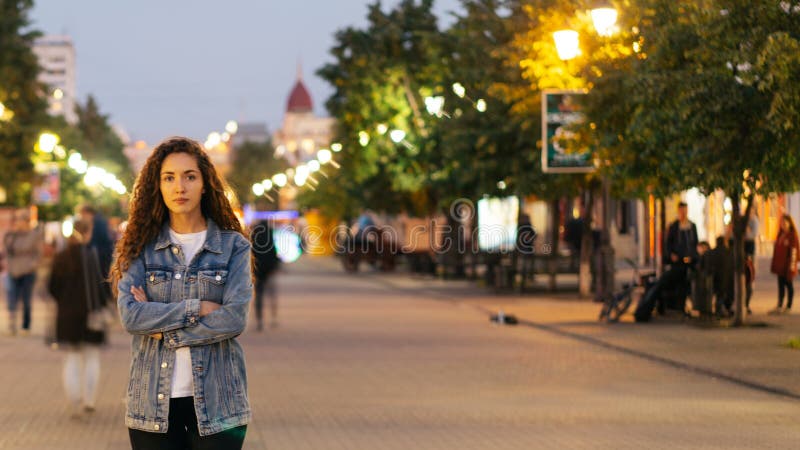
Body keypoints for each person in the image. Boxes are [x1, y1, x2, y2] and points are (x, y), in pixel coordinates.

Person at [110, 137, 252, 449]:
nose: (180, 187)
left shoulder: (233, 247)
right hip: (152, 403)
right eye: (169, 178)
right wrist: (199, 307)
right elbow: (132, 316)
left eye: (190, 176)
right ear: (157, 186)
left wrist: (163, 331)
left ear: (205, 184)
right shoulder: (140, 247)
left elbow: (233, 319)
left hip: (219, 403)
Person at [47, 218, 108, 419]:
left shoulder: (61, 256)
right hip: (91, 314)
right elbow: (103, 287)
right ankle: (89, 400)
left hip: (67, 315)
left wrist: (64, 302)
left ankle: (74, 400)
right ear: (88, 233)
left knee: (72, 358)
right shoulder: (94, 256)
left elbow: (52, 287)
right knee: (91, 358)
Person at [4, 208, 42, 336]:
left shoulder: (33, 235)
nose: (18, 222)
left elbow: (38, 253)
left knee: (26, 299)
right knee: (11, 299)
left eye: (20, 219)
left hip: (28, 271)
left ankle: (26, 326)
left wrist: (33, 265)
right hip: (13, 270)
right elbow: (6, 251)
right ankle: (12, 326)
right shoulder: (11, 235)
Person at [662, 201, 699, 312]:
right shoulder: (674, 226)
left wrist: (693, 255)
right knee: (678, 282)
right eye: (682, 211)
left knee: (688, 282)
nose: (683, 213)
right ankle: (679, 306)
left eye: (685, 210)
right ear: (679, 211)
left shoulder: (692, 226)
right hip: (677, 261)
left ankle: (690, 303)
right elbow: (668, 243)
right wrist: (671, 254)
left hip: (689, 260)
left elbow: (695, 243)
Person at [250, 219, 281, 331]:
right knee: (272, 294)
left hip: (258, 270)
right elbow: (273, 251)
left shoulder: (254, 235)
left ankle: (259, 320)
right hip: (269, 269)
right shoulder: (270, 234)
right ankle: (274, 318)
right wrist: (276, 266)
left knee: (259, 295)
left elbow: (252, 253)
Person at [769, 214, 799, 315]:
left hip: (788, 267)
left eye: (785, 222)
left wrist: (791, 267)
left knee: (789, 285)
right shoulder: (780, 234)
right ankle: (780, 305)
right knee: (780, 286)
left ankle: (789, 306)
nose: (783, 224)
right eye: (782, 222)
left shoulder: (792, 236)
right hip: (780, 267)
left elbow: (794, 253)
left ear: (790, 223)